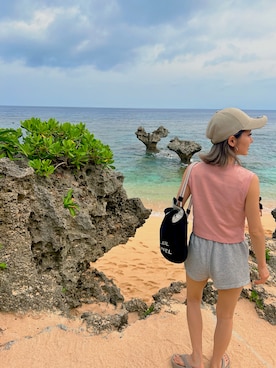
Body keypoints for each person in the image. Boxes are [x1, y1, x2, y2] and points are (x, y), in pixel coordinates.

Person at [171, 108, 270, 368]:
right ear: (232, 140)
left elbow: (178, 208)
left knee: (193, 301)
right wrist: (262, 265)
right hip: (231, 253)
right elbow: (256, 230)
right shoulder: (249, 179)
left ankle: (195, 359)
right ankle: (215, 363)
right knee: (225, 316)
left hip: (199, 247)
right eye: (249, 134)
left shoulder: (193, 170)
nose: (252, 139)